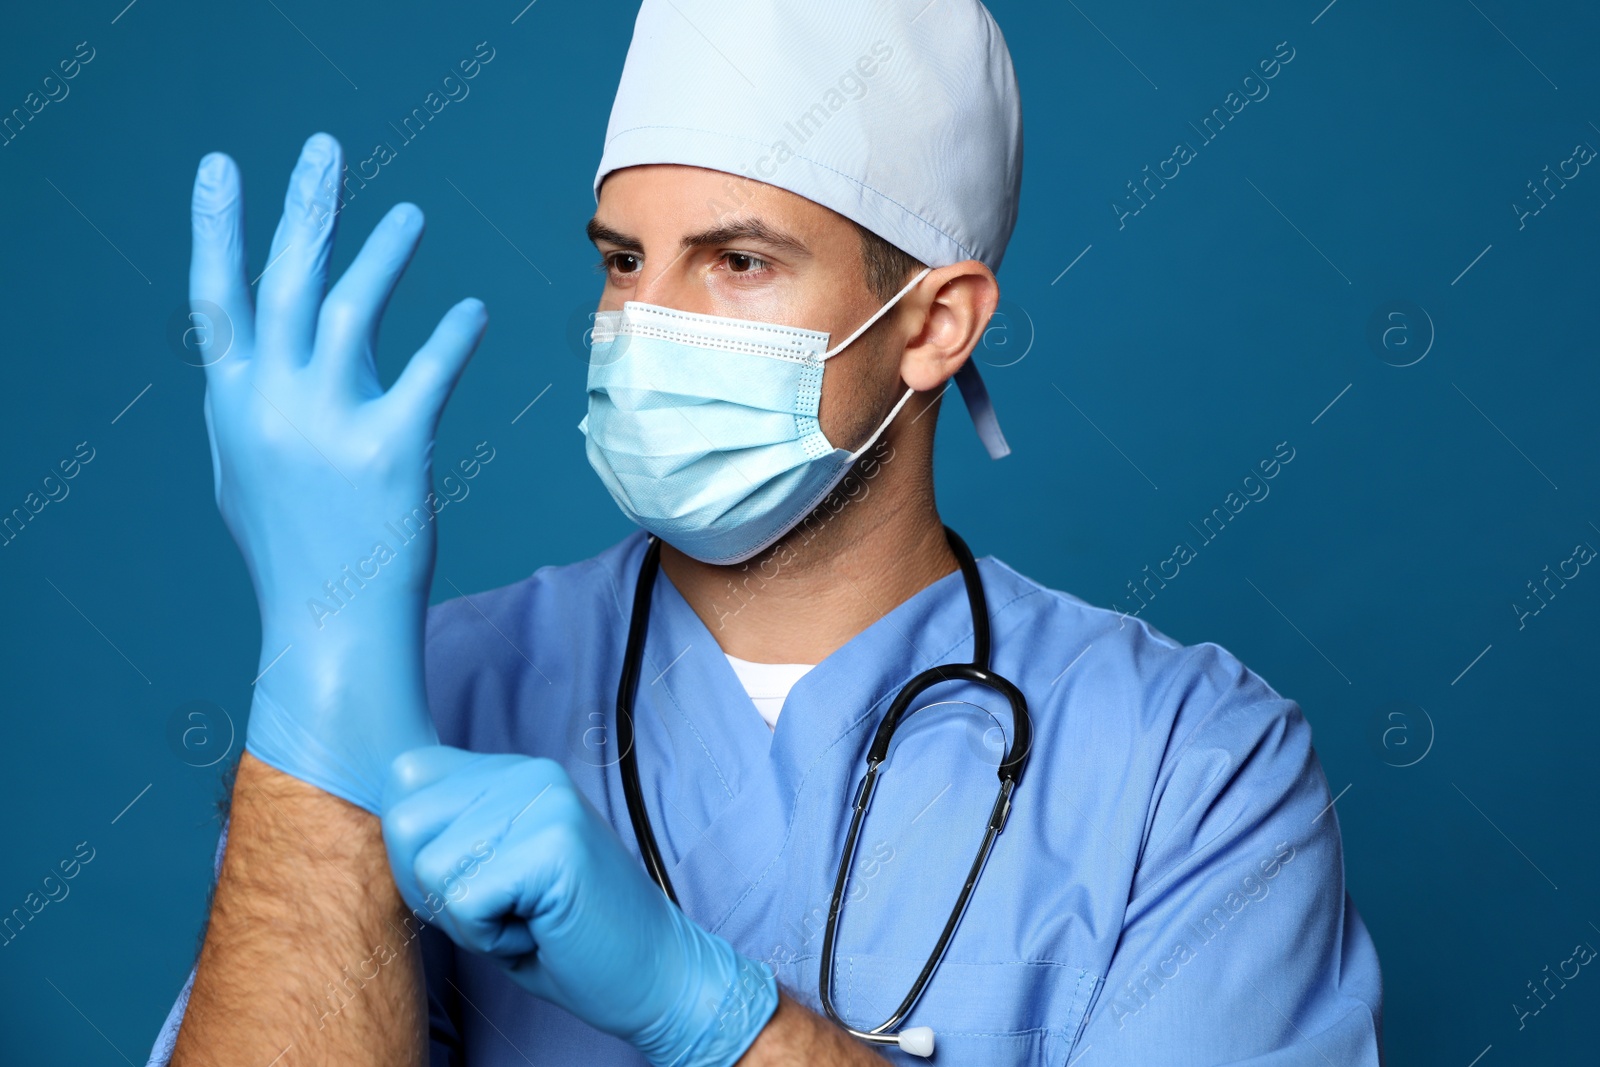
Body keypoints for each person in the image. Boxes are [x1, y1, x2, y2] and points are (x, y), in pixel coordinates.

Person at [151, 1, 1383, 1064]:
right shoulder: (426, 693)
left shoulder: (1190, 765)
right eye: (624, 260)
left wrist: (711, 1010)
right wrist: (320, 667)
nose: (643, 323)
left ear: (934, 323)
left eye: (737, 261)